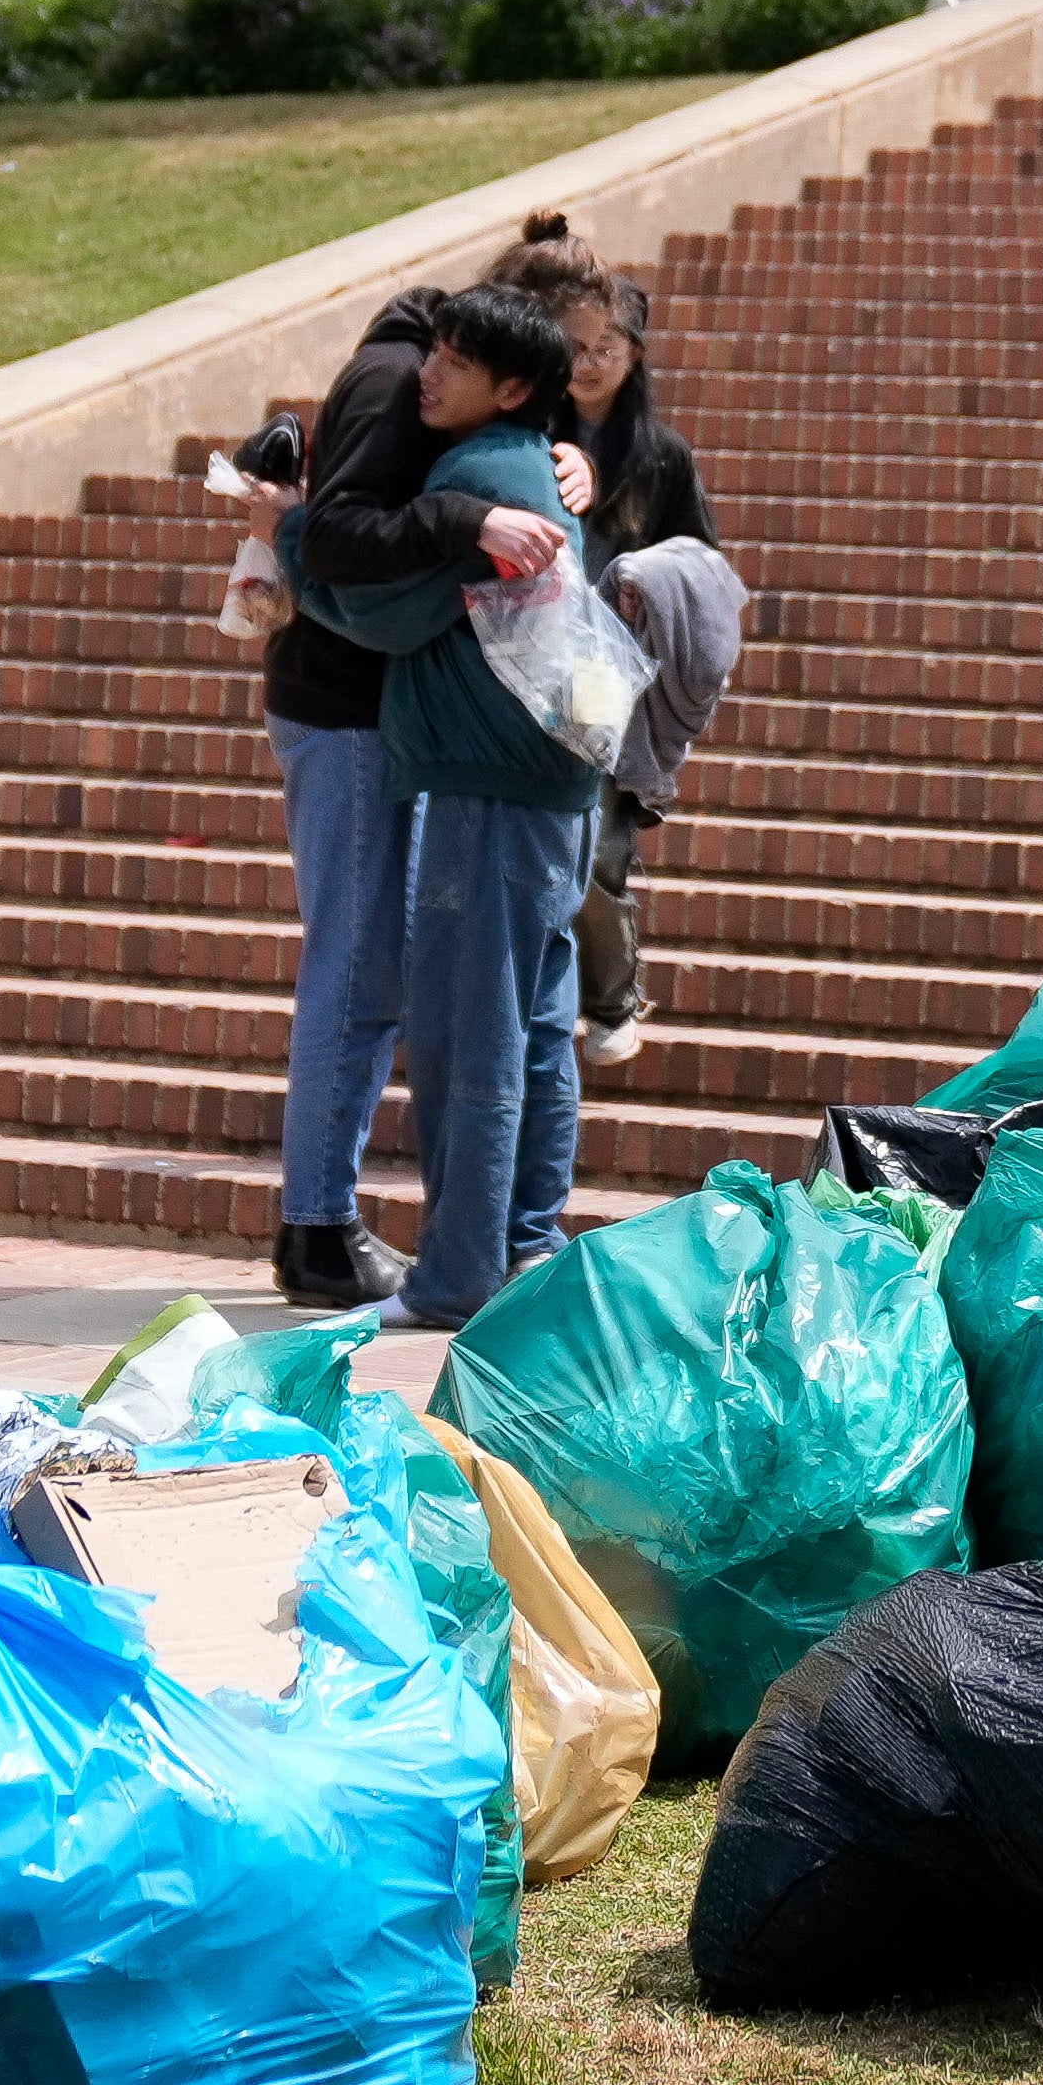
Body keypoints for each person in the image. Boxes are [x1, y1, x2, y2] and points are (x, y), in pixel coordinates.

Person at [279, 286, 602, 1327]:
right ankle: (526, 1244)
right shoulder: (532, 463)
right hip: (551, 787)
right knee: (541, 1030)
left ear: (509, 388)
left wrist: (288, 539)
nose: (430, 372)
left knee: (473, 1037)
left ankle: (459, 1273)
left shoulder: (480, 475)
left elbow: (376, 612)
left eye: (455, 363)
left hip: (485, 784)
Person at [233, 286, 510, 1312]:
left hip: (344, 712)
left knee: (362, 968)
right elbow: (344, 534)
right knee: (356, 970)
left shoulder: (385, 368)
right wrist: (470, 515)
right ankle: (316, 1228)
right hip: (343, 712)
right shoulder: (401, 383)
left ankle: (322, 1216)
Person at [489, 215, 747, 1056]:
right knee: (541, 840)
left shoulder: (659, 454)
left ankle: (610, 1000)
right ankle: (541, 989)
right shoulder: (526, 435)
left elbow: (706, 564)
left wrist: (651, 580)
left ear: (635, 355)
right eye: (580, 345)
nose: (593, 361)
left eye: (611, 345)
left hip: (612, 668)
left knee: (597, 842)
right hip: (530, 653)